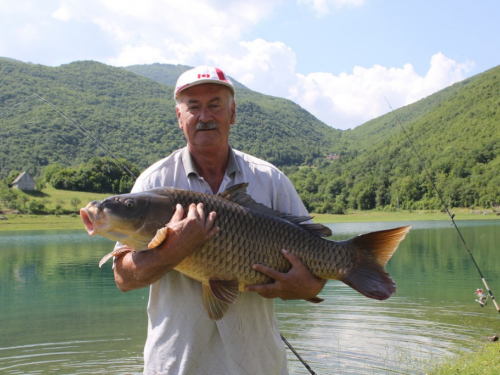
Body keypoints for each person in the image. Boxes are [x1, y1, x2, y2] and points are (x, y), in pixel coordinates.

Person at [113, 66, 325, 375]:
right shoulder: (154, 182)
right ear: (179, 116)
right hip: (177, 365)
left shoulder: (270, 179)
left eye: (215, 104)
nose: (205, 116)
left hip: (257, 365)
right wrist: (172, 250)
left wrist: (301, 287)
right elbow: (123, 278)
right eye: (194, 107)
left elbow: (315, 278)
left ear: (233, 113)